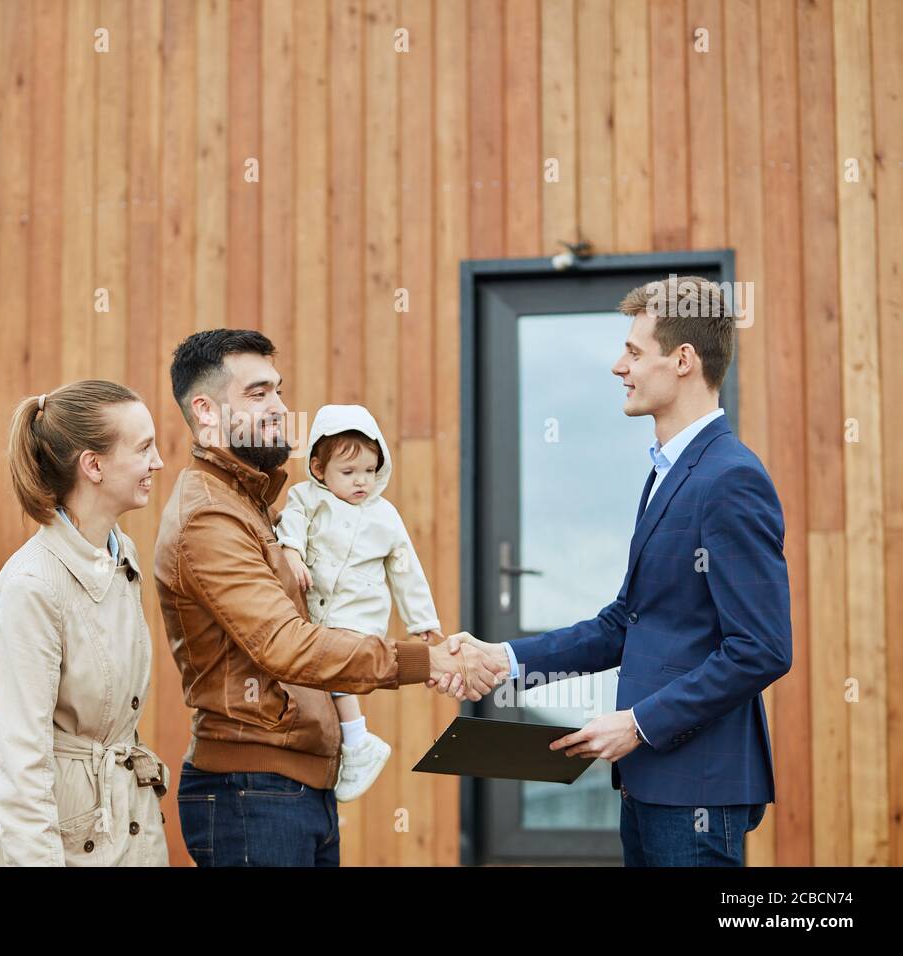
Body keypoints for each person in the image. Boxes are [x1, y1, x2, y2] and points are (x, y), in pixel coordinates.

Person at [459, 276, 792, 866]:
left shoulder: (729, 479)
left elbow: (762, 649)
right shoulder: (668, 472)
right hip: (648, 783)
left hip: (697, 791)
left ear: (683, 360)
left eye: (635, 352)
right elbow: (626, 623)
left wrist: (638, 725)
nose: (619, 366)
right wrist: (504, 659)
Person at [153, 328, 504, 867]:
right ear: (205, 410)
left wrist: (428, 639)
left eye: (278, 391)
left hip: (291, 787)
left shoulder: (256, 506)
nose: (279, 407)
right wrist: (425, 659)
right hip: (253, 791)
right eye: (258, 393)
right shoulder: (210, 516)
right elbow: (286, 645)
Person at [0, 381, 169, 866]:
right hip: (61, 845)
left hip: (127, 832)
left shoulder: (123, 556)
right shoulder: (31, 587)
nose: (158, 462)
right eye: (143, 448)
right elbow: (22, 765)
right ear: (93, 466)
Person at [275, 405, 443, 802]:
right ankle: (350, 743)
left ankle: (358, 741)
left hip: (358, 612)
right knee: (317, 674)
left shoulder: (384, 516)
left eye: (369, 471)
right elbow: (291, 525)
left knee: (335, 670)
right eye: (348, 473)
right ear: (319, 469)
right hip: (315, 612)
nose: (361, 482)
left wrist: (423, 620)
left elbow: (406, 568)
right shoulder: (307, 498)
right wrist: (294, 553)